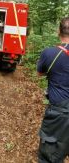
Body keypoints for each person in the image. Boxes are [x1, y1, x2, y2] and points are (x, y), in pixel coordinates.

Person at [37, 17, 69, 163]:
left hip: (59, 115)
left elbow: (40, 72)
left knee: (49, 156)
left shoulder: (49, 53)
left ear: (58, 31)